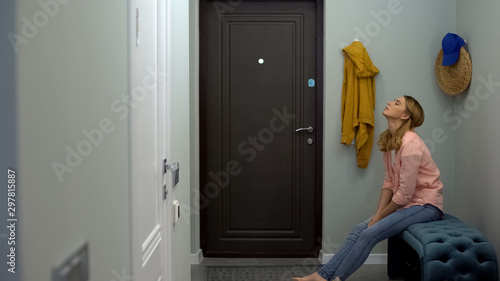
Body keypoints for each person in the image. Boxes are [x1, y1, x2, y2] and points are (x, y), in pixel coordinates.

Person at [293, 95, 444, 281]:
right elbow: (389, 182)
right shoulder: (391, 141)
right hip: (407, 204)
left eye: (397, 103)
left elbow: (405, 194)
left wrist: (380, 217)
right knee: (359, 229)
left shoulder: (410, 143)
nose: (389, 102)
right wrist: (378, 213)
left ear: (405, 116)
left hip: (425, 206)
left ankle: (336, 279)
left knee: (368, 235)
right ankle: (321, 275)